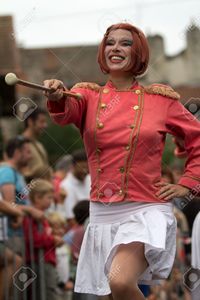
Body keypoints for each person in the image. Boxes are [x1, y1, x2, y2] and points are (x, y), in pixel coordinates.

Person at [44, 23, 200, 300]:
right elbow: (64, 110)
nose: (115, 48)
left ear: (138, 51)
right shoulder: (86, 96)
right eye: (110, 43)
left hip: (146, 208)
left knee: (120, 282)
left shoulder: (160, 100)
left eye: (125, 43)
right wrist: (56, 93)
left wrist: (188, 184)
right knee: (107, 295)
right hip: (103, 212)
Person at [0, 136, 44, 255]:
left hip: (17, 233)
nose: (31, 156)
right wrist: (31, 210)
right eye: (28, 152)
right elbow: (9, 204)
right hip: (10, 233)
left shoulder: (16, 173)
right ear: (17, 153)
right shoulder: (7, 172)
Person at [23, 179, 64, 300]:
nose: (51, 202)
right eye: (49, 198)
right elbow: (33, 240)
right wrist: (53, 239)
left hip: (46, 262)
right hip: (40, 263)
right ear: (37, 198)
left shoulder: (41, 215)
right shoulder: (31, 217)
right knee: (46, 294)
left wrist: (54, 233)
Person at [60, 149, 90, 225]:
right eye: (82, 167)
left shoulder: (91, 179)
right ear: (73, 166)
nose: (85, 171)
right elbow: (70, 219)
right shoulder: (66, 185)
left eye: (87, 167)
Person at [21, 107, 51, 182]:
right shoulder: (19, 144)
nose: (45, 125)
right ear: (30, 121)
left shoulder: (39, 145)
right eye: (42, 122)